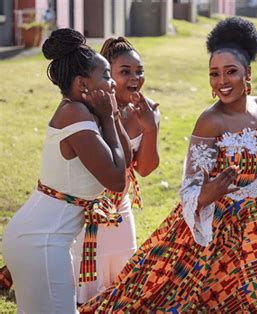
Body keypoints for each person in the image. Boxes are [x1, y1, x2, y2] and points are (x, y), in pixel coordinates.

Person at [79, 17, 257, 313]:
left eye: (230, 72)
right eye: (214, 74)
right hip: (216, 230)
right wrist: (208, 193)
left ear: (247, 73)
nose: (222, 81)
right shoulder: (210, 120)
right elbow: (190, 188)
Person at [1, 28, 129, 313]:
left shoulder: (85, 111)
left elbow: (126, 160)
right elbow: (117, 179)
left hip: (46, 239)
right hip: (41, 241)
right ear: (83, 82)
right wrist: (107, 118)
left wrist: (112, 114)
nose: (112, 83)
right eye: (106, 76)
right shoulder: (74, 114)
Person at [71, 36, 160, 304]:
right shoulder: (86, 110)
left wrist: (151, 128)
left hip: (120, 208)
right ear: (108, 75)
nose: (135, 78)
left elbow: (144, 169)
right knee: (84, 292)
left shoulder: (147, 109)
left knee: (121, 290)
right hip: (86, 209)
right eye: (125, 72)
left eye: (139, 71)